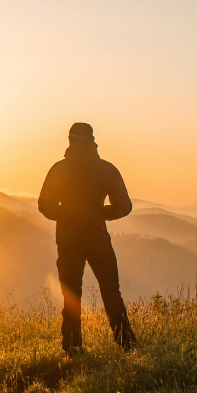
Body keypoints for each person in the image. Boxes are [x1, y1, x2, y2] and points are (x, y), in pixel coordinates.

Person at [38, 123, 137, 353]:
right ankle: (127, 344)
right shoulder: (106, 169)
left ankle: (73, 347)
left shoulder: (59, 169)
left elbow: (45, 206)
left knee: (71, 294)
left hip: (68, 240)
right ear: (92, 140)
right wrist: (98, 213)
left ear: (70, 141)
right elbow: (124, 206)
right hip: (99, 240)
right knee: (111, 291)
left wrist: (69, 214)